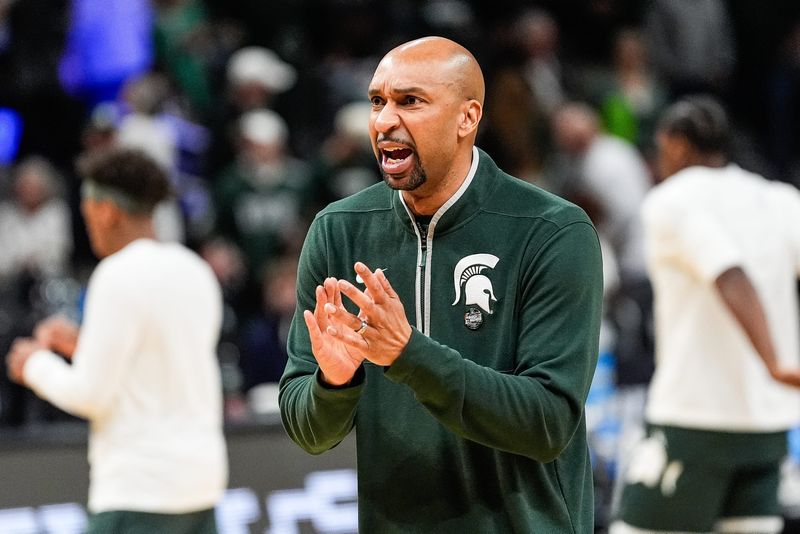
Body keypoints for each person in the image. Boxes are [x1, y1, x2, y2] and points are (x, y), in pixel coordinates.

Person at [279, 36, 603, 532]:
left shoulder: (551, 230)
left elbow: (548, 422)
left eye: (409, 101)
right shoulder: (339, 230)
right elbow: (308, 430)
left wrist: (409, 355)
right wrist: (333, 384)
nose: (385, 120)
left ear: (467, 118)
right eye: (377, 102)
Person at [5, 148, 227, 534]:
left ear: (105, 210)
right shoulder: (195, 270)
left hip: (138, 493)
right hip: (201, 485)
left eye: (87, 208)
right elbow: (161, 361)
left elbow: (90, 394)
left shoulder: (115, 274)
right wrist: (83, 346)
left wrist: (34, 365)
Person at [610, 96, 800, 534]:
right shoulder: (779, 198)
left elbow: (730, 273)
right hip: (767, 426)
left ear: (676, 144)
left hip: (695, 419)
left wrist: (773, 361)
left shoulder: (671, 200)